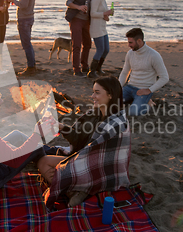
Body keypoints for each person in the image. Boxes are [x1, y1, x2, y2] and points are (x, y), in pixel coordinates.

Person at [41, 76, 131, 210]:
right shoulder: (93, 114)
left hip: (101, 171)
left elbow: (94, 155)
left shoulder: (117, 123)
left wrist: (68, 167)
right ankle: (77, 189)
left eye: (97, 92)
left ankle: (78, 187)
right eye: (93, 91)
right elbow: (79, 141)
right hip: (84, 160)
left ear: (110, 95)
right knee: (44, 160)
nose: (92, 96)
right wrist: (59, 126)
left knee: (45, 162)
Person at [119, 28, 169, 116]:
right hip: (129, 88)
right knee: (110, 103)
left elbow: (164, 77)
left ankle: (148, 104)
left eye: (130, 42)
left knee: (133, 112)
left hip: (144, 90)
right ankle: (136, 100)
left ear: (139, 41)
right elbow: (124, 73)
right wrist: (118, 88)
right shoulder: (130, 53)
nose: (128, 45)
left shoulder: (154, 55)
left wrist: (149, 90)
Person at [65, 0, 98, 77]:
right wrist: (79, 7)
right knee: (77, 44)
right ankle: (76, 69)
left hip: (87, 21)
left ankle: (84, 66)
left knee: (88, 44)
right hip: (76, 19)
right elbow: (68, 2)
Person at [8, 0, 37, 76]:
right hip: (30, 17)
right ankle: (32, 65)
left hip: (24, 18)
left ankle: (30, 67)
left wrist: (13, 1)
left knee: (26, 44)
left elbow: (23, 5)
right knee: (28, 43)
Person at [88, 0, 113, 78]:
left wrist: (106, 16)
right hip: (96, 28)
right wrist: (105, 13)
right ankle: (92, 71)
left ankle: (98, 68)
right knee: (100, 49)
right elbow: (92, 13)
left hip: (103, 28)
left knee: (106, 49)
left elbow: (101, 13)